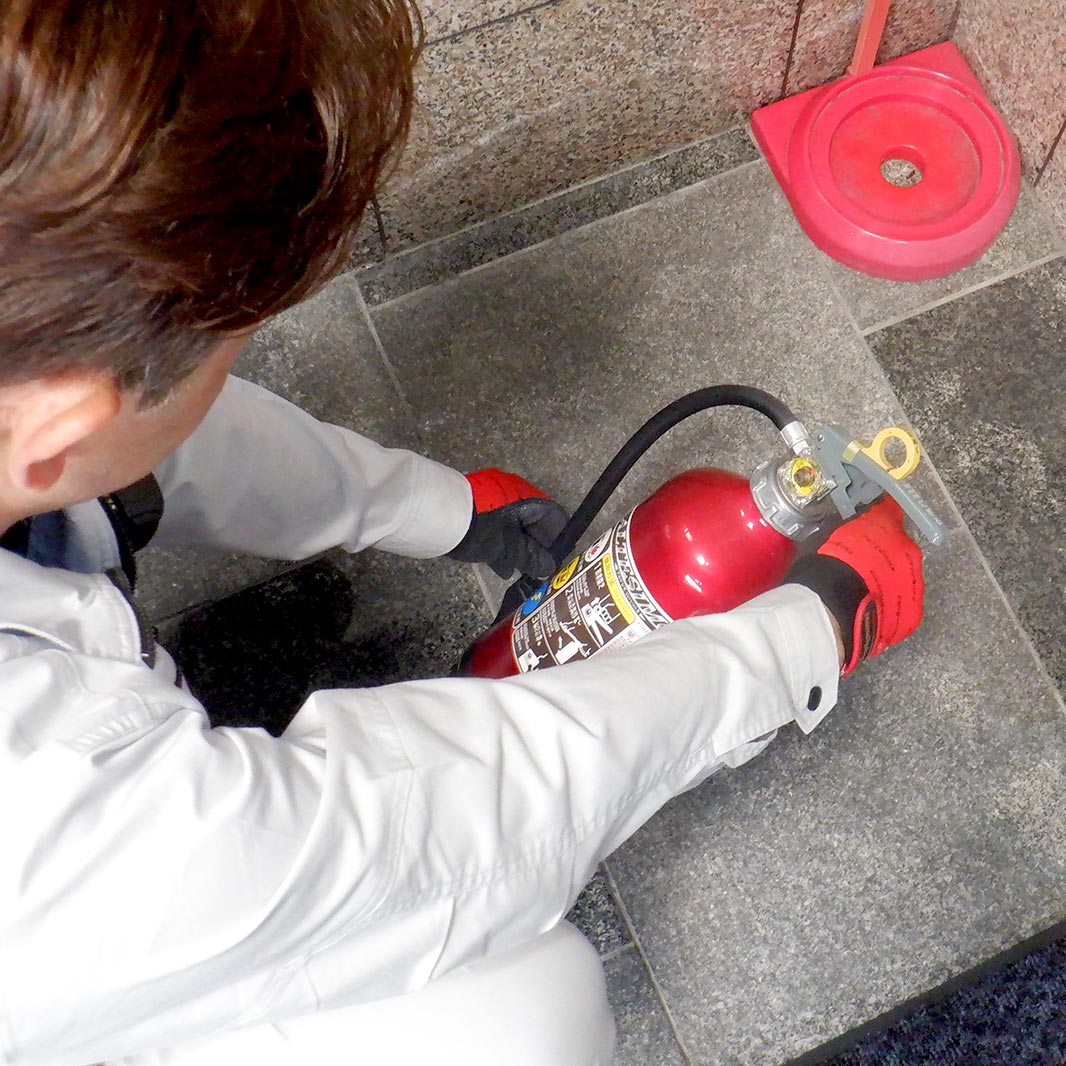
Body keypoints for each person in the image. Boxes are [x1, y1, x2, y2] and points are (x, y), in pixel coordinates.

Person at [0, 3, 925, 1065]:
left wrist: (430, 507)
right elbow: (444, 835)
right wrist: (798, 641)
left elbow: (138, 445)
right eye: (234, 345)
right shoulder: (52, 840)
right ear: (62, 428)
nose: (230, 365)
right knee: (529, 1012)